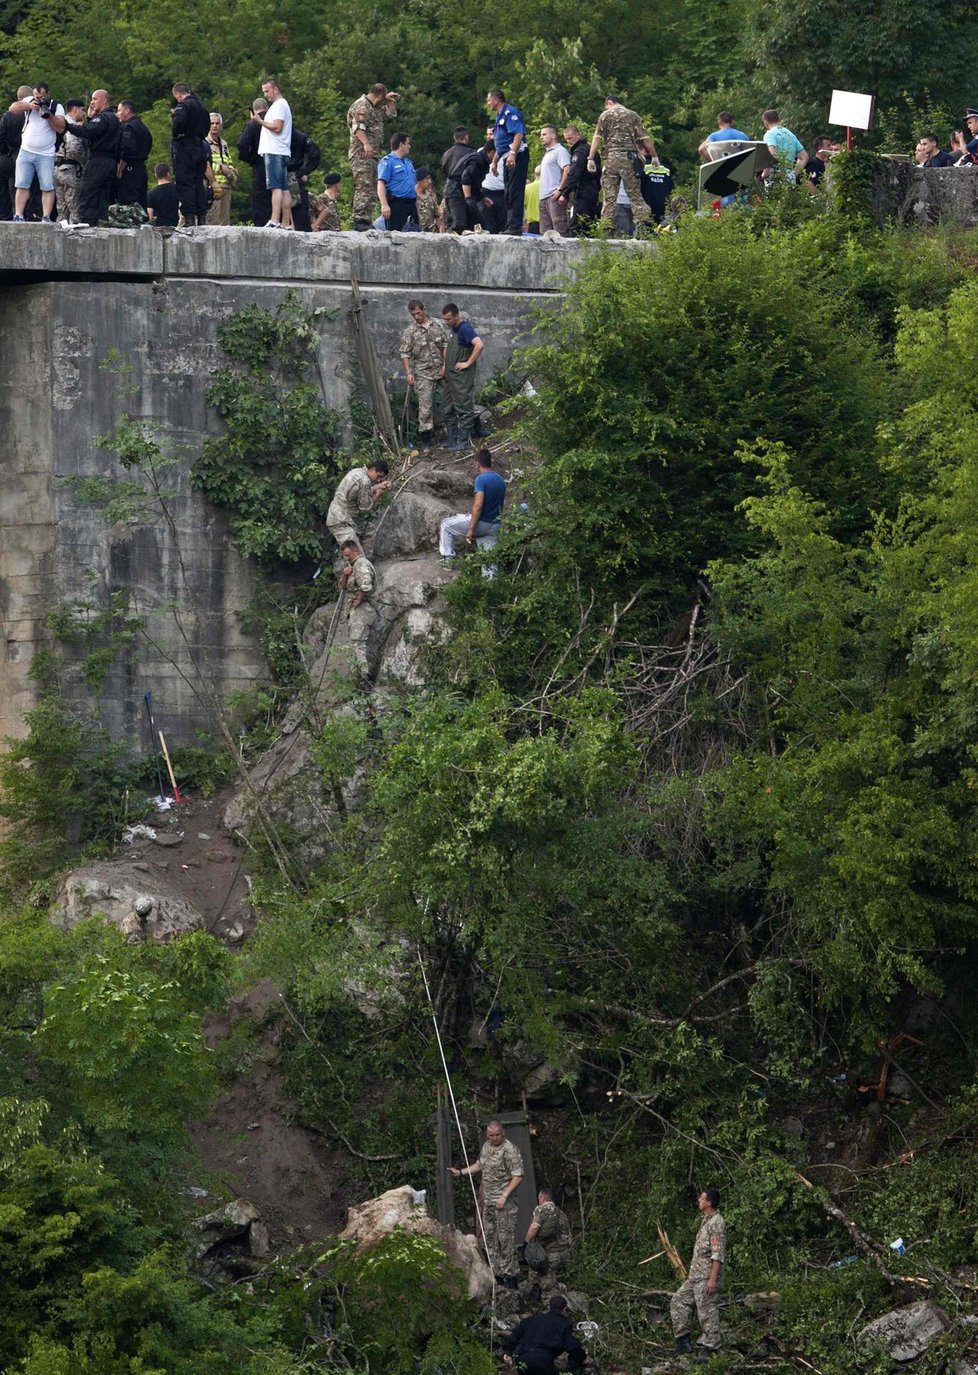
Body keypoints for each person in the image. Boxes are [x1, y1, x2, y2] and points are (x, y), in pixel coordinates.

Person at [450, 1118, 524, 1285]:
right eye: (491, 1135)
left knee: (506, 1240)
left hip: (505, 1204)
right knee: (489, 1239)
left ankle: (510, 1277)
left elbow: (518, 1175)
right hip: (488, 1202)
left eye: (497, 1135)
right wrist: (461, 1172)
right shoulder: (486, 1147)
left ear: (502, 1132)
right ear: (487, 1135)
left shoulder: (510, 1150)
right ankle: (496, 1275)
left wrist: (504, 1195)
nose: (495, 1138)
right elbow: (479, 1165)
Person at [588, 95, 658, 234]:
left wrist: (590, 158)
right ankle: (644, 228)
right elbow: (645, 138)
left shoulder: (605, 115)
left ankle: (606, 231)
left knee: (609, 197)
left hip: (611, 159)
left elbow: (597, 138)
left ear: (609, 103)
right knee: (635, 195)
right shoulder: (633, 116)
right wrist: (654, 156)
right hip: (629, 159)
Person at [671, 1187, 727, 1355]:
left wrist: (712, 1278)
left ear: (709, 1202)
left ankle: (711, 1347)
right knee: (678, 1300)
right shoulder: (706, 1221)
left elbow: (718, 1254)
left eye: (702, 1199)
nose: (699, 1201)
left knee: (707, 1311)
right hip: (695, 1276)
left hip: (706, 1276)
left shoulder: (717, 1222)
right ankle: (683, 1342)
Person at [438, 448, 505, 576]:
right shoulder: (500, 480)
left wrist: (471, 529)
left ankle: (448, 560)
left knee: (446, 525)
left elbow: (478, 506)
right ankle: (491, 589)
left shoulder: (481, 479)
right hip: (495, 526)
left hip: (481, 524)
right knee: (490, 567)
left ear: (478, 464)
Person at [10, 83, 66, 223]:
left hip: (46, 154)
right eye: (36, 97)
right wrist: (30, 106)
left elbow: (60, 128)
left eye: (41, 97)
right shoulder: (30, 101)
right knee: (22, 184)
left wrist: (48, 115)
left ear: (48, 94)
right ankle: (18, 214)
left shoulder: (56, 106)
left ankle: (46, 217)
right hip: (26, 151)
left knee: (47, 186)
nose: (39, 100)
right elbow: (12, 109)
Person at [347, 83, 399, 230]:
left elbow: (391, 114)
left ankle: (366, 219)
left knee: (371, 186)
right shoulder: (361, 105)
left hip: (373, 155)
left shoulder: (374, 108)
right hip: (362, 153)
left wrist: (389, 100)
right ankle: (360, 220)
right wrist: (366, 143)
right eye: (383, 98)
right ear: (379, 95)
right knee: (364, 185)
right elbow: (358, 127)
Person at [400, 300, 447, 448]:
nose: (416, 316)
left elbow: (445, 345)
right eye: (413, 314)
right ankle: (426, 441)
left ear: (424, 310)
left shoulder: (438, 326)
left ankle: (453, 433)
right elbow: (404, 353)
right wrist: (408, 373)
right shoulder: (410, 332)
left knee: (450, 401)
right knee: (425, 407)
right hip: (423, 373)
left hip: (441, 370)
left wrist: (445, 364)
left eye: (418, 313)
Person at [502, 1295, 586, 1374]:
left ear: (549, 1307)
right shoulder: (564, 1325)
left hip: (523, 1359)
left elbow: (515, 1336)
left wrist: (508, 1352)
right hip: (544, 1362)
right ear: (564, 1309)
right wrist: (583, 1357)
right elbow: (573, 1347)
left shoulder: (531, 1320)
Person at [440, 303, 484, 451]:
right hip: (450, 376)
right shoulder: (453, 329)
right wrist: (445, 365)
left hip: (461, 377)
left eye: (449, 319)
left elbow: (479, 345)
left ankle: (463, 441)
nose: (446, 322)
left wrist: (468, 363)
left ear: (457, 316)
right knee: (448, 407)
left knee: (463, 406)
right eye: (444, 319)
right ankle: (452, 439)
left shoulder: (465, 329)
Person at [75, 90, 121, 227]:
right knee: (103, 199)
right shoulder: (114, 119)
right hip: (111, 162)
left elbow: (87, 132)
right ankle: (101, 226)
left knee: (89, 195)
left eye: (95, 99)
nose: (92, 102)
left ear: (104, 101)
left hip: (98, 161)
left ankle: (87, 228)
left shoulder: (102, 118)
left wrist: (68, 126)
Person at [486, 88, 528, 235]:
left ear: (496, 100)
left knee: (515, 190)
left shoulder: (510, 113)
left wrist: (513, 154)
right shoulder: (499, 116)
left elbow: (518, 134)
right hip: (506, 156)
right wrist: (494, 162)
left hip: (517, 155)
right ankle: (510, 224)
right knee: (508, 192)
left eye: (489, 100)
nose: (488, 103)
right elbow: (501, 142)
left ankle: (515, 226)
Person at [253, 77, 292, 228]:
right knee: (284, 188)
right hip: (280, 151)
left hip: (275, 151)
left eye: (267, 91)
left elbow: (277, 127)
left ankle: (275, 221)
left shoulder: (279, 105)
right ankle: (286, 222)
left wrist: (259, 121)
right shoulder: (281, 105)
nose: (266, 95)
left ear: (275, 89)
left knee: (275, 187)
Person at [325, 459, 391, 549]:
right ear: (373, 469)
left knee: (369, 530)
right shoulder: (365, 481)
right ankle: (360, 561)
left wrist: (377, 487)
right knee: (354, 553)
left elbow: (359, 492)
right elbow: (365, 508)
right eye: (379, 476)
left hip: (343, 516)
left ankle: (366, 560)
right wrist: (378, 494)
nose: (379, 480)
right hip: (341, 521)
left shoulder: (357, 471)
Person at [170, 82, 210, 225]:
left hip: (185, 146)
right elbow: (207, 127)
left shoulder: (183, 106)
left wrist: (176, 133)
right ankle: (202, 216)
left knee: (185, 182)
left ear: (178, 94)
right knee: (198, 182)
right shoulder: (202, 107)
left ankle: (190, 217)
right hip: (200, 145)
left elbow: (178, 124)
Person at [338, 540, 377, 683]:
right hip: (353, 611)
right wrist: (345, 575)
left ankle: (364, 679)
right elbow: (342, 587)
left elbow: (366, 585)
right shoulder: (351, 566)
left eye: (348, 555)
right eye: (345, 556)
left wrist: (359, 599)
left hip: (364, 609)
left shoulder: (362, 565)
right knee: (354, 643)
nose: (346, 558)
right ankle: (359, 676)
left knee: (357, 642)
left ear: (355, 551)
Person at [524, 1188, 573, 1287]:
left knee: (546, 1285)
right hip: (564, 1253)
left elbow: (534, 1228)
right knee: (554, 1279)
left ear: (542, 1198)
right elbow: (569, 1237)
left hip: (549, 1254)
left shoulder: (541, 1209)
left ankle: (545, 1300)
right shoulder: (561, 1213)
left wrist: (526, 1243)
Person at [236, 98, 272, 226]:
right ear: (267, 109)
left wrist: (251, 159)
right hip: (275, 164)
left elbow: (241, 145)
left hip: (259, 167)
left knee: (260, 203)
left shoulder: (252, 125)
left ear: (253, 110)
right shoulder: (274, 122)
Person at [560, 124, 600, 235]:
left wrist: (565, 193)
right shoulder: (590, 150)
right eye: (566, 139)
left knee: (577, 225)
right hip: (593, 190)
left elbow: (574, 174)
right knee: (589, 224)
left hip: (583, 190)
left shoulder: (580, 152)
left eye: (570, 138)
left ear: (578, 135)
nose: (568, 141)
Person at [54, 99, 88, 223]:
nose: (84, 113)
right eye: (82, 110)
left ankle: (60, 233)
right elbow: (74, 149)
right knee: (74, 208)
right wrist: (85, 163)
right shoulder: (70, 125)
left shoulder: (58, 122)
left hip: (58, 168)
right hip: (70, 169)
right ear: (75, 109)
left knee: (61, 208)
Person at [116, 100, 153, 209]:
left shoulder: (129, 127)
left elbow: (128, 150)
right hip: (141, 168)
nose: (117, 114)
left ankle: (131, 225)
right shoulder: (143, 127)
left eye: (119, 110)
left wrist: (120, 168)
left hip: (130, 170)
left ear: (127, 110)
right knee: (141, 202)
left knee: (128, 203)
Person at [377, 131, 417, 229]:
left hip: (411, 204)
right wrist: (384, 204)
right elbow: (381, 183)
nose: (409, 146)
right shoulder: (387, 161)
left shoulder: (408, 163)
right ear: (401, 144)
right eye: (407, 143)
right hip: (397, 204)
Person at [204, 112, 237, 224]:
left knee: (225, 223)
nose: (214, 126)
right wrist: (222, 168)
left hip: (226, 187)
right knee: (212, 221)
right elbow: (205, 165)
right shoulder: (204, 143)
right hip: (213, 188)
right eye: (212, 123)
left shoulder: (224, 144)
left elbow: (229, 161)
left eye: (217, 123)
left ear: (221, 126)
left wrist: (232, 171)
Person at [289, 124, 321, 230]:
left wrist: (303, 171)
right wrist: (303, 171)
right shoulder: (299, 135)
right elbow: (315, 155)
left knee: (299, 216)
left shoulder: (297, 136)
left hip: (290, 177)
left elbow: (315, 155)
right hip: (294, 176)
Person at [538, 127, 570, 234]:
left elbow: (567, 170)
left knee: (560, 230)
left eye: (544, 134)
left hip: (554, 196)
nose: (541, 137)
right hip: (543, 197)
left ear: (553, 135)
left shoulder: (560, 151)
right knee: (545, 232)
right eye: (541, 135)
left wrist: (560, 190)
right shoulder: (548, 153)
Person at [761, 109, 807, 182]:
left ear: (765, 122)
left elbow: (772, 154)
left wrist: (765, 173)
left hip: (775, 177)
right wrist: (794, 174)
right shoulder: (790, 134)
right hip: (789, 176)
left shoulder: (769, 134)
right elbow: (804, 157)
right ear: (778, 119)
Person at [441, 125, 471, 232]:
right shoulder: (470, 153)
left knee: (450, 221)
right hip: (461, 189)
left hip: (448, 189)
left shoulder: (447, 153)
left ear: (454, 137)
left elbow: (444, 170)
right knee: (460, 223)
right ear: (466, 137)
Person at [415, 167, 439, 231]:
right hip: (415, 231)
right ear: (419, 181)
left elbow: (438, 216)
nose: (430, 182)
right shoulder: (411, 196)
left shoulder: (431, 195)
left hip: (431, 233)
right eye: (427, 179)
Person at [524, 164, 542, 232]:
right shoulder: (549, 188)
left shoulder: (527, 188)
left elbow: (523, 209)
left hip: (532, 224)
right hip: (547, 223)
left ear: (534, 175)